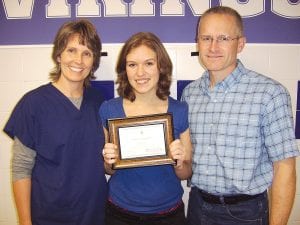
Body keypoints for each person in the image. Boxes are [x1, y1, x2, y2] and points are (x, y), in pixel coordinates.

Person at [181, 6, 300, 225]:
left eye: (223, 38)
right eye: (206, 38)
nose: (213, 46)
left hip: (245, 213)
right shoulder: (190, 94)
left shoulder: (269, 94)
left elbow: (285, 167)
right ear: (198, 42)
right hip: (197, 206)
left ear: (241, 44)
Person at [3, 19, 108, 225]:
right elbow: (21, 168)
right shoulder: (33, 103)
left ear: (93, 60)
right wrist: (25, 222)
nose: (79, 60)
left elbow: (105, 163)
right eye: (71, 50)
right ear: (59, 55)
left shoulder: (99, 102)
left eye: (87, 53)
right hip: (50, 216)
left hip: (95, 214)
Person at [99, 32, 193, 225]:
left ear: (161, 67)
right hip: (119, 214)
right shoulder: (109, 109)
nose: (140, 73)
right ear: (125, 69)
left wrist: (179, 162)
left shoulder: (179, 110)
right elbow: (109, 171)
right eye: (132, 64)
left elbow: (186, 173)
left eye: (149, 63)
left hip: (168, 215)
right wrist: (109, 161)